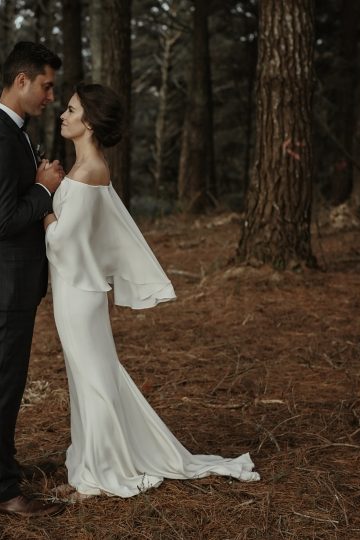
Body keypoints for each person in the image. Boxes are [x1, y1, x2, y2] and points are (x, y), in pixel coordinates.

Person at [44, 83, 260, 501]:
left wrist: (43, 202)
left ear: (89, 122)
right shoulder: (85, 168)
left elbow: (61, 243)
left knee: (95, 380)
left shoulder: (90, 173)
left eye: (71, 110)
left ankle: (102, 469)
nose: (63, 116)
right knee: (88, 378)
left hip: (78, 293)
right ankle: (94, 458)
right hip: (73, 289)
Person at [0, 42, 66, 517]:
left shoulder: (15, 133)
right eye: (46, 85)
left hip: (16, 284)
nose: (51, 96)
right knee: (2, 387)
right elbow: (4, 220)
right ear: (21, 81)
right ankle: (4, 491)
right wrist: (44, 189)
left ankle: (5, 467)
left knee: (9, 383)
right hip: (4, 286)